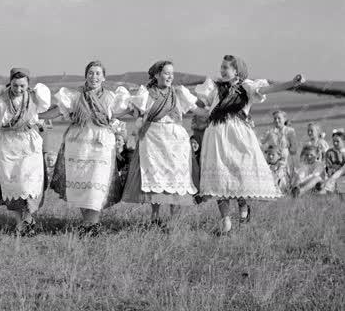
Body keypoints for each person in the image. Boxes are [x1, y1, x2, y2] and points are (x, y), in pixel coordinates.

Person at [195, 55, 304, 234]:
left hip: (238, 137)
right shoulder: (214, 89)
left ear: (236, 71)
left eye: (226, 68)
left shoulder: (247, 87)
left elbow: (269, 88)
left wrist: (291, 83)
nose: (222, 70)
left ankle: (244, 210)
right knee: (220, 180)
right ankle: (226, 224)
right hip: (216, 137)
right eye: (221, 67)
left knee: (239, 177)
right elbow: (206, 111)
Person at [44, 60, 139, 235]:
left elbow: (121, 112)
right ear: (86, 75)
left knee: (97, 183)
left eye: (97, 73)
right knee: (81, 184)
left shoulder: (111, 97)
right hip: (77, 143)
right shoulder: (74, 96)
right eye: (90, 73)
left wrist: (136, 109)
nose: (94, 76)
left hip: (101, 144)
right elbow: (58, 110)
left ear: (103, 77)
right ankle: (87, 225)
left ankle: (92, 224)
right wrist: (36, 114)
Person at [122, 61, 201, 224]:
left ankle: (174, 220)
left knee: (176, 177)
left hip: (175, 141)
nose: (170, 76)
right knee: (156, 178)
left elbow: (196, 110)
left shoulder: (179, 93)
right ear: (157, 75)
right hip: (153, 140)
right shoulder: (148, 94)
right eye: (166, 73)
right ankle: (155, 217)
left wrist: (215, 113)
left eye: (172, 73)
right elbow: (138, 115)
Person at [0, 68, 51, 235]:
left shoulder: (34, 97)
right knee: (13, 185)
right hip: (7, 144)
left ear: (28, 85)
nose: (18, 89)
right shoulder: (0, 98)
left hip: (28, 143)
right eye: (15, 85)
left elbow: (49, 111)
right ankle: (21, 223)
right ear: (10, 82)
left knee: (28, 184)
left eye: (22, 86)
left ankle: (29, 219)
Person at [261, 110, 298, 175]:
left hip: (286, 162)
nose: (276, 120)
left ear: (284, 119)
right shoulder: (270, 132)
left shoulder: (290, 131)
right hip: (272, 161)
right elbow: (260, 143)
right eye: (275, 119)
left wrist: (284, 151)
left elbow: (294, 150)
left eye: (279, 118)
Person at [323, 130, 345, 194]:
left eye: (337, 141)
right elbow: (328, 166)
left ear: (344, 141)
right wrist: (331, 170)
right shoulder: (329, 152)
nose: (335, 143)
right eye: (334, 141)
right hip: (333, 173)